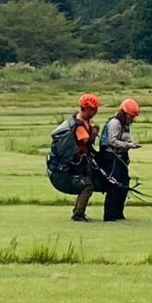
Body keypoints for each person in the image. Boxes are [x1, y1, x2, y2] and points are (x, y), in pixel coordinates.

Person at [46, 92, 100, 221]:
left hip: (79, 162)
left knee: (87, 184)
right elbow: (86, 141)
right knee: (87, 186)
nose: (96, 112)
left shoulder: (83, 121)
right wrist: (94, 132)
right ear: (87, 108)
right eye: (94, 109)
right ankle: (78, 214)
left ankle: (78, 211)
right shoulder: (78, 124)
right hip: (72, 164)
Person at [97, 98, 141, 221]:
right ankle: (110, 215)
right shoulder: (115, 123)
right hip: (111, 157)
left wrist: (130, 144)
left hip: (121, 157)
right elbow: (113, 141)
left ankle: (118, 213)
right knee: (114, 184)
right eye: (131, 116)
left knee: (124, 184)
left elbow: (125, 139)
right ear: (124, 113)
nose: (132, 119)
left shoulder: (125, 125)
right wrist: (129, 145)